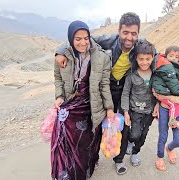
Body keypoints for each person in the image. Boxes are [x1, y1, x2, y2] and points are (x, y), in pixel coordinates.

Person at [55, 12, 143, 175]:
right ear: (119, 31)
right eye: (125, 32)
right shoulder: (109, 39)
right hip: (106, 87)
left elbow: (155, 56)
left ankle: (118, 159)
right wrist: (60, 51)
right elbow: (84, 38)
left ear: (138, 33)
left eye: (134, 33)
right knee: (98, 125)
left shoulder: (140, 44)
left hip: (125, 89)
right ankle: (93, 158)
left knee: (124, 124)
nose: (129, 38)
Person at [51, 20, 114, 180]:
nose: (83, 42)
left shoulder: (102, 57)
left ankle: (85, 168)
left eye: (86, 38)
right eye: (78, 38)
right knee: (64, 137)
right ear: (71, 38)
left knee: (88, 141)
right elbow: (58, 78)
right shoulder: (62, 55)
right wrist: (59, 96)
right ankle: (66, 172)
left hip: (92, 104)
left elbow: (104, 85)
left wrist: (109, 107)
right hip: (71, 102)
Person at [121, 40, 156, 167]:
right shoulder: (131, 76)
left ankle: (135, 153)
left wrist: (157, 106)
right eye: (141, 59)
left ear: (153, 58)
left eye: (148, 59)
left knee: (143, 135)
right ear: (136, 58)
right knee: (135, 134)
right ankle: (131, 141)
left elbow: (160, 92)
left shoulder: (156, 75)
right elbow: (125, 93)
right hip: (135, 110)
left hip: (150, 111)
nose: (144, 62)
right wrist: (125, 111)